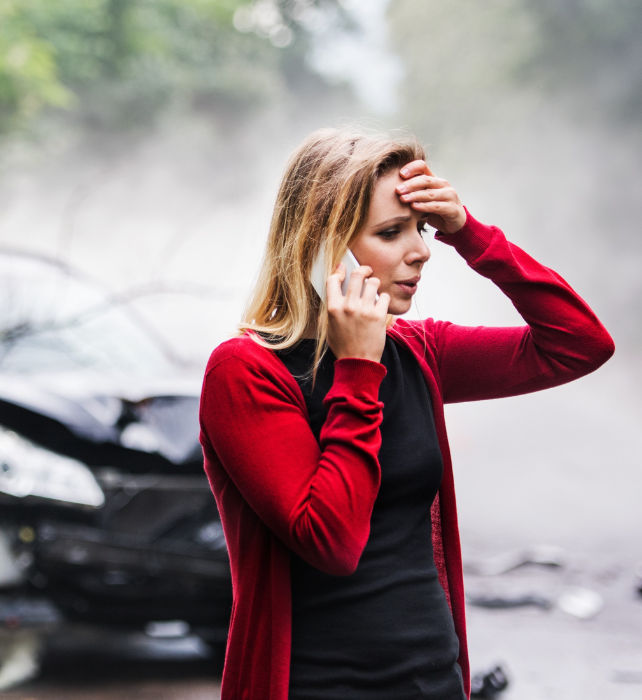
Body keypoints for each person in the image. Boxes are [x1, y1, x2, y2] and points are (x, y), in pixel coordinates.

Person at [198, 128, 614, 700]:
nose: (421, 250)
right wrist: (358, 370)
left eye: (420, 227)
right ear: (321, 249)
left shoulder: (421, 352)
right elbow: (333, 541)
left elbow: (580, 343)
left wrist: (470, 235)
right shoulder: (245, 372)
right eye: (391, 232)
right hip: (315, 687)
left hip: (433, 682)